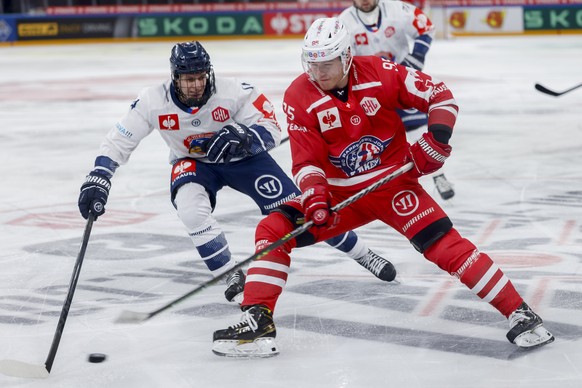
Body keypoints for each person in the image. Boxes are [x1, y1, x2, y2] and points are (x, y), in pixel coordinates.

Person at [212, 18, 554, 357]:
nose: (319, 72)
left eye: (327, 63)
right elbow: (306, 160)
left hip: (394, 185)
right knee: (273, 227)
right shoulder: (298, 95)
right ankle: (257, 320)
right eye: (312, 64)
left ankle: (521, 313)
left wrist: (436, 139)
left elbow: (440, 95)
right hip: (339, 196)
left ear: (346, 56)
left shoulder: (380, 72)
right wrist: (315, 196)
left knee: (445, 246)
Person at [77, 41, 397, 305]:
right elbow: (119, 140)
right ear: (174, 77)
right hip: (193, 163)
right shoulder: (152, 100)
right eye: (189, 78)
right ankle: (230, 271)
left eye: (201, 76)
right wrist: (99, 177)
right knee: (190, 210)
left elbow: (272, 126)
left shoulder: (233, 91)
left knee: (303, 212)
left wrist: (245, 136)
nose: (196, 84)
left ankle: (363, 254)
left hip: (244, 160)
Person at [340, 0, 454, 200]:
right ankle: (376, 184)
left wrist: (416, 57)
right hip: (369, 90)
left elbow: (425, 27)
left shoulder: (397, 9)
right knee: (372, 141)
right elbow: (343, 60)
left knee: (418, 127)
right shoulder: (344, 22)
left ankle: (438, 175)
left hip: (401, 81)